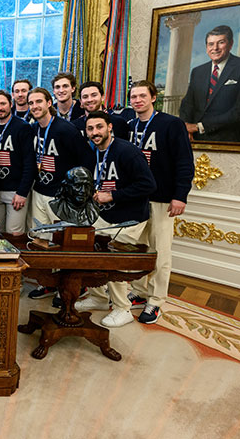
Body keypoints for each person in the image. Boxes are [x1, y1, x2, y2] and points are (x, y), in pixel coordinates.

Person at [74, 111, 157, 328]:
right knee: (89, 251)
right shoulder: (94, 152)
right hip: (104, 215)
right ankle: (99, 299)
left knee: (113, 260)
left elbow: (148, 185)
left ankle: (123, 309)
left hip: (129, 217)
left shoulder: (127, 151)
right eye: (90, 129)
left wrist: (112, 195)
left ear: (110, 127)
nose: (95, 132)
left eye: (99, 127)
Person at [127, 80, 194, 324]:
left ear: (153, 97)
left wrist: (180, 196)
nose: (137, 100)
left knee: (160, 251)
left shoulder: (171, 124)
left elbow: (185, 162)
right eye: (133, 97)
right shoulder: (130, 125)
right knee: (137, 248)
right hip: (136, 197)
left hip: (163, 199)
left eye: (142, 96)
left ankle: (155, 300)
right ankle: (139, 290)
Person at [27, 87, 93, 299]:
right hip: (39, 190)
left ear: (49, 103)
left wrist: (78, 192)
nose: (35, 106)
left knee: (63, 242)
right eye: (31, 103)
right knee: (40, 237)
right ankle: (47, 282)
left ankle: (67, 288)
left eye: (39, 101)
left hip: (61, 196)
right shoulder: (33, 129)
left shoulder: (66, 130)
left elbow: (86, 160)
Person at [0, 90, 36, 235]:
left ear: (11, 104)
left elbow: (29, 162)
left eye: (3, 103)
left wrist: (22, 192)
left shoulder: (23, 127)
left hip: (15, 191)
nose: (0, 107)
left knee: (14, 233)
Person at [179, 25, 240, 142]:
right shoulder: (198, 71)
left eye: (221, 42)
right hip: (195, 138)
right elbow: (188, 103)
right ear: (206, 47)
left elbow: (238, 112)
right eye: (211, 44)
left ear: (230, 44)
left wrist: (199, 127)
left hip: (229, 140)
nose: (215, 48)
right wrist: (185, 126)